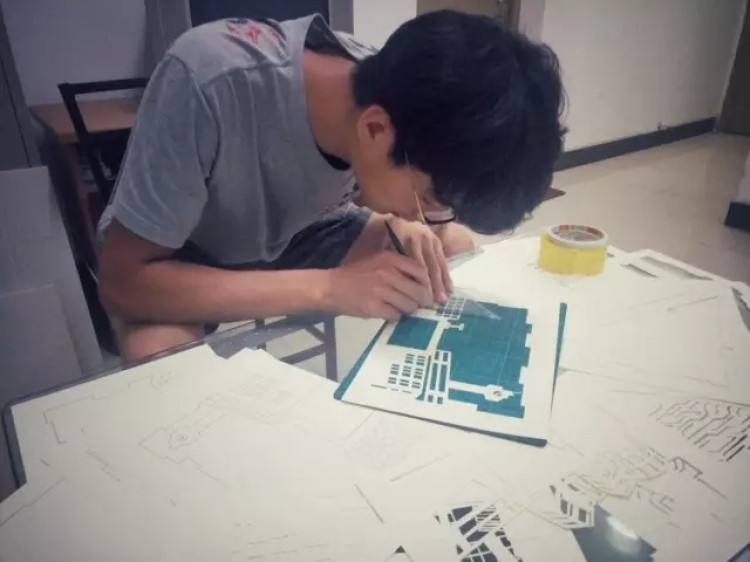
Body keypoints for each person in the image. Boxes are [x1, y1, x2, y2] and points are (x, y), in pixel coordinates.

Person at [97, 10, 565, 361]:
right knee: (156, 351)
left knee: (447, 246)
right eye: (427, 200)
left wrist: (408, 223)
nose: (427, 215)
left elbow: (353, 181)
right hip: (184, 253)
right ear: (375, 131)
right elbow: (122, 284)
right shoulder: (209, 80)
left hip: (299, 228)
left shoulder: (387, 89)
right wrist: (329, 288)